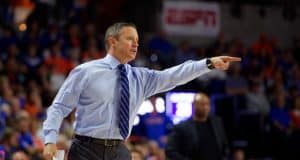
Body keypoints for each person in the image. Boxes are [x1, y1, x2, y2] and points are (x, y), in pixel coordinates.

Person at [43, 22, 241, 160]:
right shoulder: (85, 72)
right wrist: (50, 140)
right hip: (85, 150)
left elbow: (173, 75)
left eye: (137, 40)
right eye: (130, 39)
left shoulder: (141, 77)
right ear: (113, 41)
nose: (136, 44)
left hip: (119, 150)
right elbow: (59, 107)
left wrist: (207, 64)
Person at [165, 92, 229, 160]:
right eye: (202, 104)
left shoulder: (217, 123)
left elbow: (224, 145)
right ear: (193, 105)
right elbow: (170, 151)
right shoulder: (182, 127)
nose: (205, 107)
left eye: (207, 104)